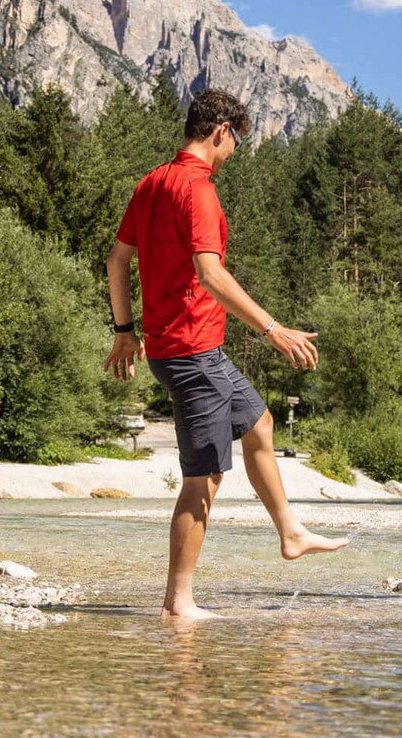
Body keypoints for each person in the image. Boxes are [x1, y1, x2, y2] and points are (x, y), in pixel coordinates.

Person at [104, 88, 347, 620]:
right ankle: (178, 602)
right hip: (192, 353)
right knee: (204, 478)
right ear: (221, 132)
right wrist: (273, 329)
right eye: (238, 140)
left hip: (189, 350)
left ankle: (290, 531)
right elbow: (210, 274)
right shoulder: (199, 191)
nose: (236, 151)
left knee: (259, 423)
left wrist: (125, 329)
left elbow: (116, 260)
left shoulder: (151, 183)